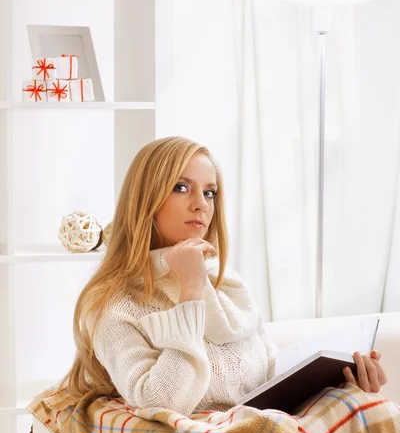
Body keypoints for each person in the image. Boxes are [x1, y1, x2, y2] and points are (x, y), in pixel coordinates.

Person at [63, 135, 387, 415]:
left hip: (270, 428)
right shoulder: (113, 303)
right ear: (145, 200)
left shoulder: (224, 281)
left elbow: (267, 374)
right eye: (181, 187)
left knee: (367, 408)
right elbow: (161, 402)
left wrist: (340, 383)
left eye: (209, 192)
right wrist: (190, 293)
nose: (200, 205)